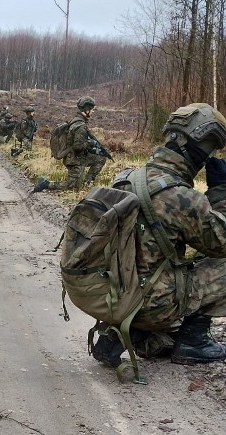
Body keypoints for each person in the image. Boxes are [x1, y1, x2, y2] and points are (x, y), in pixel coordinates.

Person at [90, 102, 226, 367]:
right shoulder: (181, 197)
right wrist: (220, 192)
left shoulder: (126, 177)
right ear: (199, 147)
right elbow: (221, 244)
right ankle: (193, 341)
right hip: (155, 306)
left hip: (114, 298)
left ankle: (120, 332)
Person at [32, 96, 97, 193]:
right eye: (92, 109)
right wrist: (90, 144)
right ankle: (46, 183)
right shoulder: (80, 126)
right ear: (86, 109)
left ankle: (87, 183)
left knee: (100, 159)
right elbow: (77, 146)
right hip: (75, 159)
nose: (93, 112)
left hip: (75, 157)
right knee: (71, 186)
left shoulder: (76, 121)